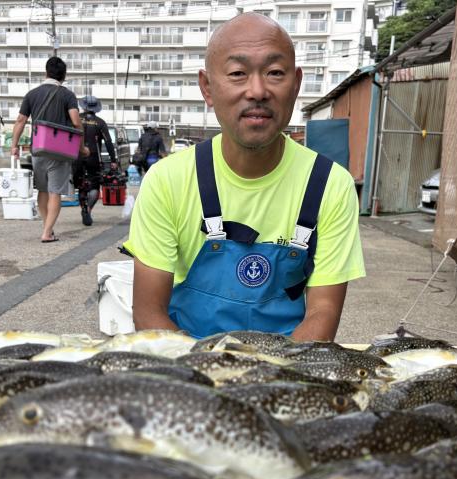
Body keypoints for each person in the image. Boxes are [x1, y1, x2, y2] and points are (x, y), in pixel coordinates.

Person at [123, 13, 365, 341]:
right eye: (238, 73)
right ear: (207, 87)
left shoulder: (330, 185)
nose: (257, 91)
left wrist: (270, 371)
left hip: (288, 362)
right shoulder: (167, 180)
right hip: (186, 360)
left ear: (296, 84)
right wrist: (210, 369)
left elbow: (323, 313)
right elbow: (149, 312)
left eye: (275, 72)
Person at [11, 56, 88, 243]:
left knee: (43, 190)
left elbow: (20, 121)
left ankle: (48, 228)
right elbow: (76, 122)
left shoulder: (32, 94)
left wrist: (14, 146)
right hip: (60, 151)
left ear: (46, 72)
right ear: (64, 75)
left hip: (38, 149)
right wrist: (81, 147)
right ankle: (47, 232)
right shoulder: (67, 95)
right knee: (55, 192)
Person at [73, 95, 117, 226]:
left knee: (81, 185)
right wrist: (113, 159)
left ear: (83, 106)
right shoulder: (100, 122)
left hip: (77, 156)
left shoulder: (76, 119)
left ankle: (83, 208)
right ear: (96, 108)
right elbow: (108, 142)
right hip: (93, 157)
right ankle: (88, 210)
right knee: (95, 185)